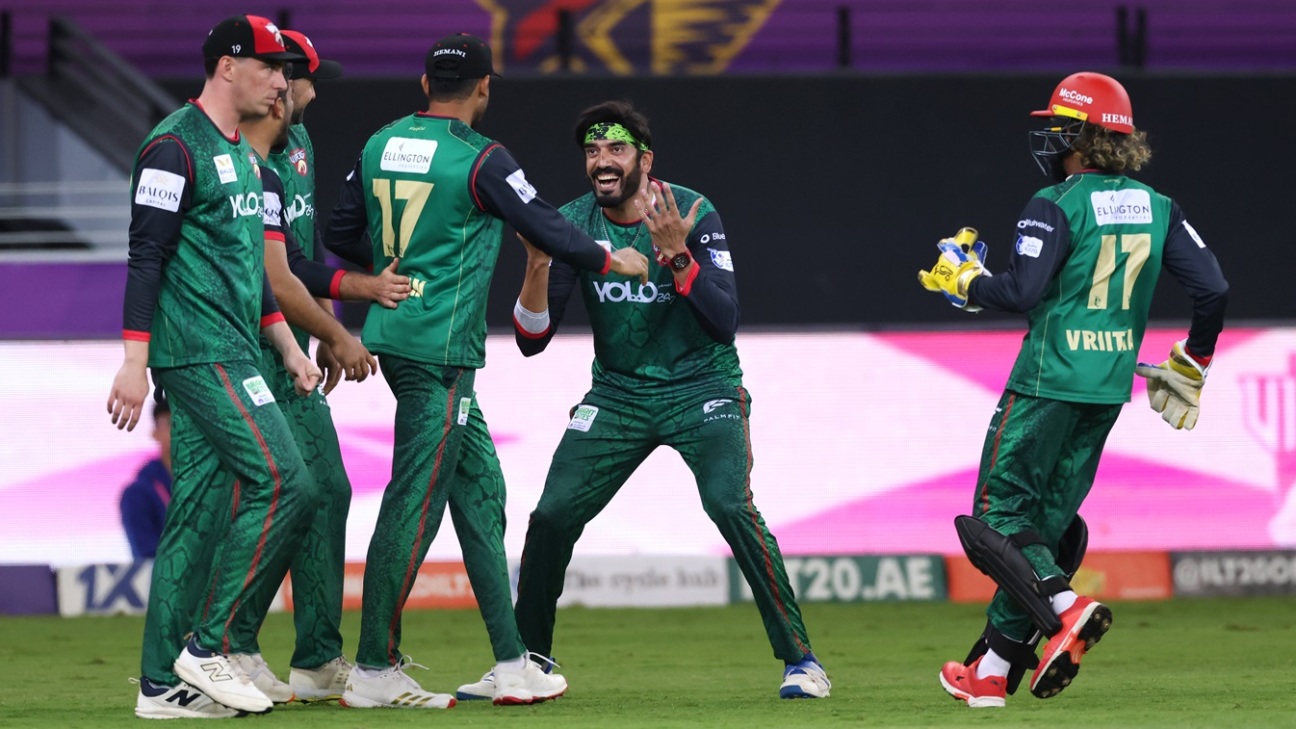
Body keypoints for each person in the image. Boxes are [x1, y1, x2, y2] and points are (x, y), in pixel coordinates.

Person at [458, 99, 830, 701]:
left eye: (616, 149)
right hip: (618, 395)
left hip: (703, 386)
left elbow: (724, 322)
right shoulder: (570, 221)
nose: (602, 161)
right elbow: (532, 340)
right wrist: (536, 263)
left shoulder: (694, 212)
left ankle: (802, 662)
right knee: (551, 516)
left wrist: (678, 257)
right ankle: (528, 663)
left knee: (730, 505)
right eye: (592, 151)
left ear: (645, 160)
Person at [323, 34, 649, 710]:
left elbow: (340, 229)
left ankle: (512, 662)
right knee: (414, 503)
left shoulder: (381, 142)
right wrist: (609, 257)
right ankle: (375, 667)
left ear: (424, 85)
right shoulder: (481, 157)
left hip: (401, 336)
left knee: (480, 493)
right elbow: (543, 224)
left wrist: (399, 265)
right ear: (484, 87)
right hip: (439, 353)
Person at [918, 71, 1228, 708]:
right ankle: (992, 673)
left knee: (995, 517)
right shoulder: (1158, 206)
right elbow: (1213, 289)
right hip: (1107, 390)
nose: (1052, 137)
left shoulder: (1054, 203)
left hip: (1044, 383)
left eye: (1062, 126)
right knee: (1042, 528)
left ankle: (1066, 604)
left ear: (1085, 136)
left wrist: (966, 281)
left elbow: (1021, 292)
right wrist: (1194, 360)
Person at [105, 14, 321, 719]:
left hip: (237, 347)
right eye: (269, 66)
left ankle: (159, 686)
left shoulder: (243, 156)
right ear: (227, 67)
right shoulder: (173, 148)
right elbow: (145, 256)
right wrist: (134, 360)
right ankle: (209, 645)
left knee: (196, 512)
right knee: (286, 482)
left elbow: (249, 270)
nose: (282, 81)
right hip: (200, 352)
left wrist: (287, 345)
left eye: (284, 69)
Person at [119, 396, 172, 560]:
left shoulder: (216, 484)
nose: (180, 431)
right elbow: (146, 557)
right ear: (155, 433)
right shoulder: (138, 494)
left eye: (188, 424)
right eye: (170, 423)